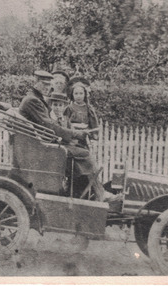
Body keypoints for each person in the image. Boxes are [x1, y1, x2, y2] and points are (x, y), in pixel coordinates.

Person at [18, 69, 111, 202]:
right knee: (85, 154)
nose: (47, 87)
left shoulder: (34, 98)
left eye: (48, 84)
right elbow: (50, 125)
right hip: (39, 147)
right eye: (44, 84)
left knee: (78, 150)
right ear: (36, 83)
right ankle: (99, 194)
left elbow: (49, 125)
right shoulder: (33, 100)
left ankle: (79, 192)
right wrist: (75, 133)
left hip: (39, 143)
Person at [65, 77, 99, 150]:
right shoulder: (69, 108)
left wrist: (94, 137)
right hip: (72, 136)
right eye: (76, 93)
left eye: (81, 93)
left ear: (85, 94)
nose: (78, 96)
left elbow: (93, 123)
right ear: (72, 95)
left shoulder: (88, 108)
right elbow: (65, 122)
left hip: (85, 136)